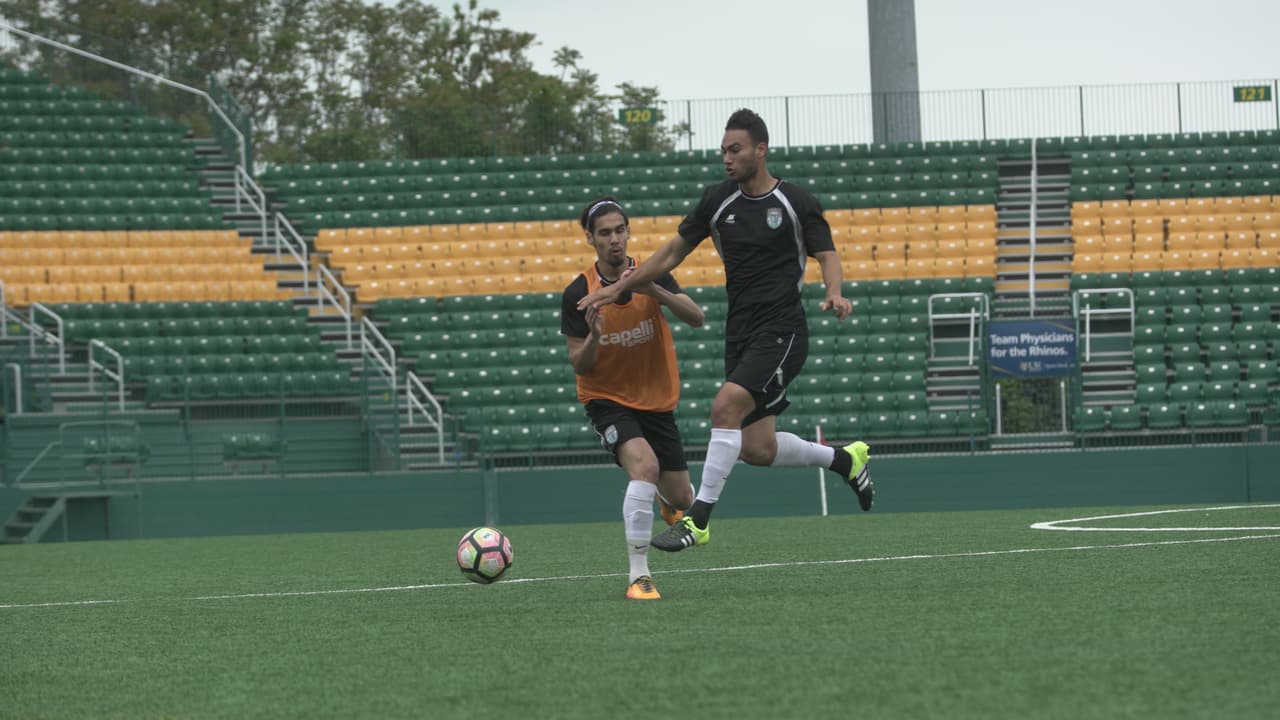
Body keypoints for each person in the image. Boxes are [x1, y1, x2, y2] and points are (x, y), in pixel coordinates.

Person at [578, 108, 873, 555]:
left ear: (761, 150)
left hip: (783, 329)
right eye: (723, 151)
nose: (727, 158)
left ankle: (697, 520)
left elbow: (827, 254)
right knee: (757, 448)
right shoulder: (718, 201)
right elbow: (672, 252)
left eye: (735, 150)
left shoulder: (796, 201)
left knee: (724, 408)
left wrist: (835, 292)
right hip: (741, 333)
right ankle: (844, 459)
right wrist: (618, 288)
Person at [561, 196, 706, 600]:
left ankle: (663, 496)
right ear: (590, 239)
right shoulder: (579, 291)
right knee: (644, 466)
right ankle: (638, 576)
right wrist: (595, 337)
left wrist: (654, 289)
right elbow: (579, 363)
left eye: (619, 230)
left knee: (683, 498)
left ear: (628, 232)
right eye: (604, 233)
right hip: (606, 399)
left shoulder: (650, 273)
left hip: (656, 400)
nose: (614, 239)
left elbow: (697, 318)